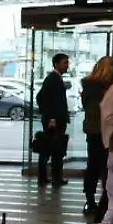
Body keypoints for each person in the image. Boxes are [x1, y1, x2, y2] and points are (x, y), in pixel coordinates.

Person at [80, 57, 112, 214]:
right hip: (105, 130)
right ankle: (104, 201)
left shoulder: (88, 86)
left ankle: (90, 200)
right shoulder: (105, 89)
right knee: (107, 166)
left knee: (92, 164)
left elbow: (86, 107)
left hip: (92, 130)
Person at [36, 53, 70, 187]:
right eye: (64, 63)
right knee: (54, 149)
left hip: (55, 119)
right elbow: (42, 98)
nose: (67, 66)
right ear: (56, 64)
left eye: (67, 63)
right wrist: (51, 117)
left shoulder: (55, 78)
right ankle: (54, 178)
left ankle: (46, 177)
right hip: (54, 121)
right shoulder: (53, 79)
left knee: (50, 149)